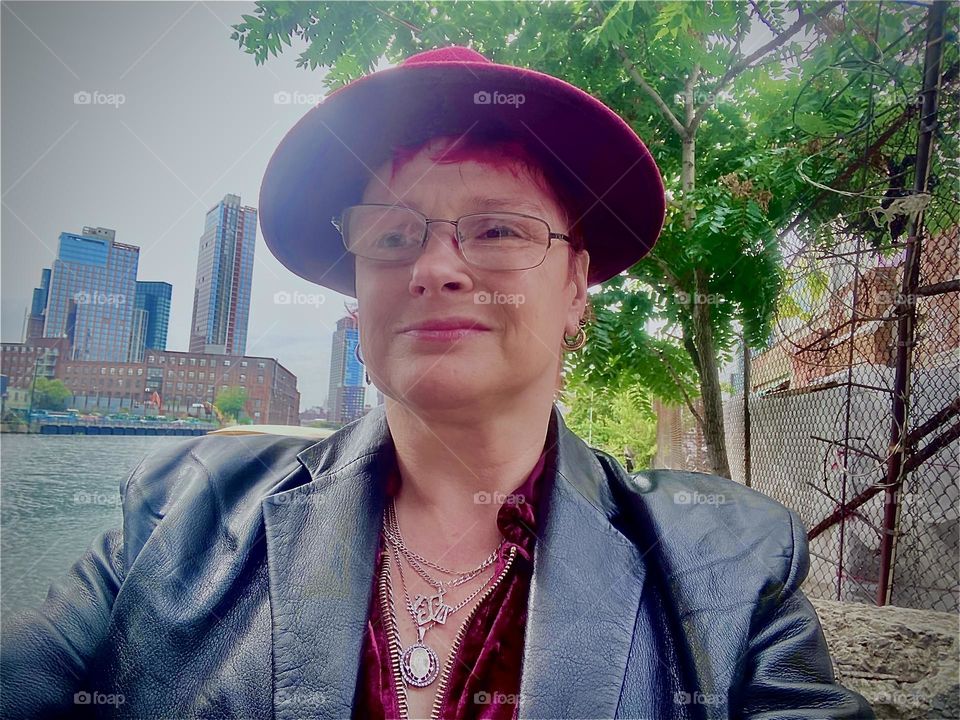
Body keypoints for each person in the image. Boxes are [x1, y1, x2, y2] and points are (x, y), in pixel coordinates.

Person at [1, 47, 874, 720]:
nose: (436, 268)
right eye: (392, 235)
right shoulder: (177, 517)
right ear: (358, 297)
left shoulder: (731, 564)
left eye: (496, 229)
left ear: (577, 292)